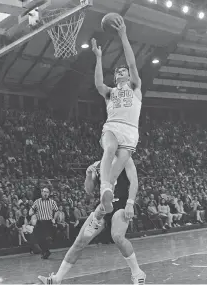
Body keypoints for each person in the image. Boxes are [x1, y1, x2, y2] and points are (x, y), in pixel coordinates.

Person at [38, 157, 146, 284]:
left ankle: (137, 273)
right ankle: (56, 279)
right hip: (103, 208)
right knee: (79, 242)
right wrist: (88, 175)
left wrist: (130, 203)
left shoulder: (125, 159)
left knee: (117, 236)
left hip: (121, 205)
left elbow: (134, 181)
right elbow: (89, 190)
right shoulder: (97, 165)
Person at [92, 15, 142, 214]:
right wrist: (98, 58)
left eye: (124, 71)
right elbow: (97, 84)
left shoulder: (135, 87)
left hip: (130, 132)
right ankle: (104, 186)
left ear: (129, 76)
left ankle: (107, 193)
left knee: (116, 172)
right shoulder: (110, 92)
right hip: (113, 126)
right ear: (115, 77)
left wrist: (123, 36)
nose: (121, 72)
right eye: (118, 72)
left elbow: (132, 64)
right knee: (109, 149)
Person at [29, 187, 58, 259]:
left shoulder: (52, 202)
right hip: (39, 222)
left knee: (46, 238)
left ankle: (45, 251)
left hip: (48, 222)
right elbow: (32, 209)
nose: (45, 193)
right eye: (44, 192)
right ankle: (45, 251)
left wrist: (54, 218)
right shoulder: (37, 201)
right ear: (41, 193)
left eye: (47, 192)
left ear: (49, 194)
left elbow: (56, 210)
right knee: (37, 237)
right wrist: (31, 213)